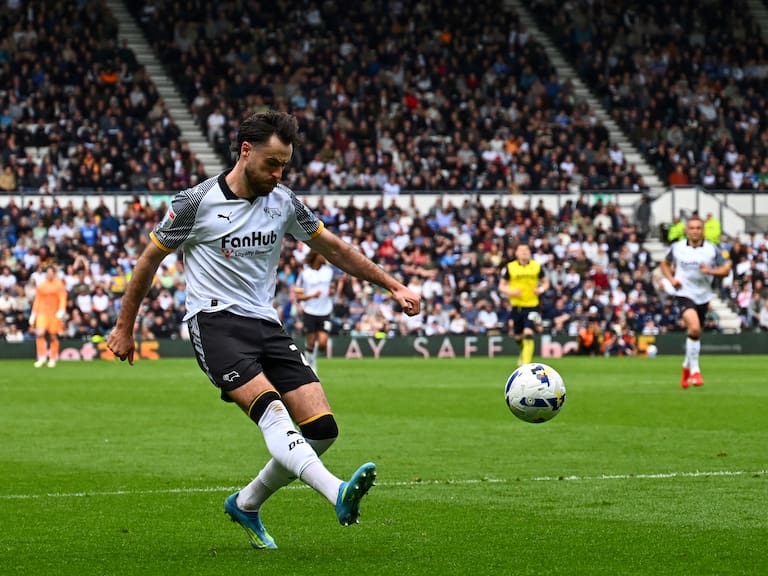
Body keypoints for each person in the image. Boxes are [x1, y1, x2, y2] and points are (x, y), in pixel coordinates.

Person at [106, 110, 421, 549]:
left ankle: (247, 503)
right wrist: (125, 328)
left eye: (284, 165)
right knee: (271, 410)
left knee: (322, 428)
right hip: (213, 323)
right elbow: (148, 260)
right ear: (245, 151)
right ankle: (336, 492)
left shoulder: (284, 201)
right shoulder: (195, 203)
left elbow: (334, 248)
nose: (277, 173)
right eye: (271, 164)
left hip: (265, 323)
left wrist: (392, 284)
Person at [659, 215, 731, 388]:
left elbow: (726, 268)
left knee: (695, 334)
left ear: (703, 230)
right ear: (686, 230)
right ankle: (695, 371)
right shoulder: (677, 248)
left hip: (703, 295)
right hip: (684, 293)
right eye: (692, 228)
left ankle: (686, 367)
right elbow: (664, 264)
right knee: (694, 328)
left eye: (698, 228)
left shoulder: (712, 249)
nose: (695, 231)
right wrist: (671, 279)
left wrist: (711, 271)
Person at [499, 243, 550, 366]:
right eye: (521, 250)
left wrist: (541, 290)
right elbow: (501, 286)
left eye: (526, 249)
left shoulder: (536, 266)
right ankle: (524, 352)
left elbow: (546, 283)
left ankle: (525, 364)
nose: (524, 252)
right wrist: (511, 292)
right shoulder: (510, 267)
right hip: (516, 306)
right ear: (516, 253)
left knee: (528, 333)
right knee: (518, 337)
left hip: (532, 305)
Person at [294, 250, 336, 373]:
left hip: (325, 311)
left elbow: (333, 287)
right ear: (316, 256)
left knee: (323, 343)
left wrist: (332, 292)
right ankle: (311, 365)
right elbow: (298, 296)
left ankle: (312, 359)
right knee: (310, 342)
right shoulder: (305, 274)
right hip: (310, 311)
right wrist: (311, 296)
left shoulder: (329, 272)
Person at [30, 265, 68, 368]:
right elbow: (37, 300)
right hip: (43, 312)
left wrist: (61, 310)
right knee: (40, 333)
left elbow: (62, 298)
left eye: (51, 272)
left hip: (54, 314)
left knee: (53, 336)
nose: (50, 274)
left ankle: (53, 358)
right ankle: (41, 357)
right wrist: (33, 314)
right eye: (48, 272)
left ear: (54, 273)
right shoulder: (41, 285)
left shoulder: (59, 285)